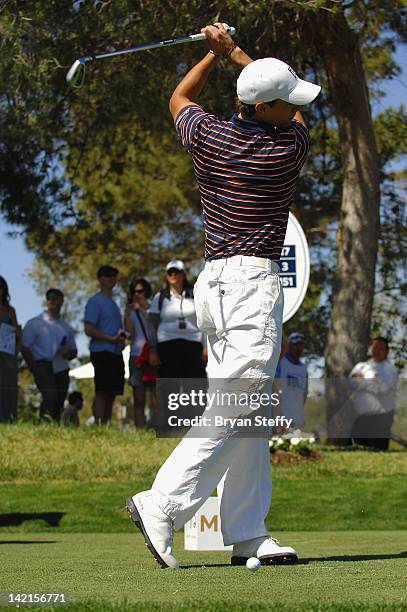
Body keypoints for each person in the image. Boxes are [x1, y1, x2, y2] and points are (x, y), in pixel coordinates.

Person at [126, 24, 320, 569]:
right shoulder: (285, 149)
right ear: (265, 110)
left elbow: (179, 99)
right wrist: (234, 51)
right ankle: (162, 503)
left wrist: (209, 55)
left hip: (212, 285)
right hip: (253, 287)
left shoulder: (208, 135)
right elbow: (300, 120)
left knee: (250, 409)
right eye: (286, 102)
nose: (295, 110)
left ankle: (246, 533)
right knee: (243, 404)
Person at [22, 288, 77, 422]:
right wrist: (34, 367)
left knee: (59, 398)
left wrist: (67, 353)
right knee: (50, 396)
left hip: (61, 365)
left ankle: (55, 426)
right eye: (49, 298)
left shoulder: (66, 327)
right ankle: (44, 424)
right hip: (42, 364)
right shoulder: (35, 323)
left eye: (55, 298)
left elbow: (74, 351)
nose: (52, 301)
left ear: (62, 301)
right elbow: (24, 347)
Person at [84, 265, 125, 425]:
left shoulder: (114, 303)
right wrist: (110, 338)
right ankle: (99, 426)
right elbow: (89, 329)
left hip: (116, 352)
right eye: (107, 275)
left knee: (112, 392)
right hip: (101, 351)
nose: (111, 278)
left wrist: (120, 338)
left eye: (114, 276)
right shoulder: (95, 301)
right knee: (102, 391)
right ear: (100, 279)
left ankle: (105, 425)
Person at [348, 337, 399, 450]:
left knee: (378, 450)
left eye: (381, 348)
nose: (377, 351)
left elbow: (383, 390)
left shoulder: (391, 370)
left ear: (387, 351)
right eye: (375, 347)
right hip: (361, 416)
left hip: (381, 418)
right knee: (359, 448)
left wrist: (362, 380)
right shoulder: (361, 366)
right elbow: (351, 382)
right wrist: (373, 381)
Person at [124, 277, 156, 428]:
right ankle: (140, 429)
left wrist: (141, 310)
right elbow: (129, 334)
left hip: (153, 354)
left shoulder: (153, 307)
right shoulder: (130, 311)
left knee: (155, 396)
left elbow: (156, 325)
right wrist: (128, 314)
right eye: (134, 292)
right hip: (137, 355)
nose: (137, 295)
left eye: (140, 291)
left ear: (146, 292)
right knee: (139, 397)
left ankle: (157, 427)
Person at [274, 332, 308, 431]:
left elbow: (304, 393)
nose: (298, 348)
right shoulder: (281, 363)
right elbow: (275, 391)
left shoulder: (304, 369)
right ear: (289, 346)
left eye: (301, 345)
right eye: (295, 345)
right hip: (282, 419)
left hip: (297, 419)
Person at [0, 276, 20, 422]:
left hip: (7, 356)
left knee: (7, 386)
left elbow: (17, 332)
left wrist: (17, 332)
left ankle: (8, 418)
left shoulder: (10, 310)